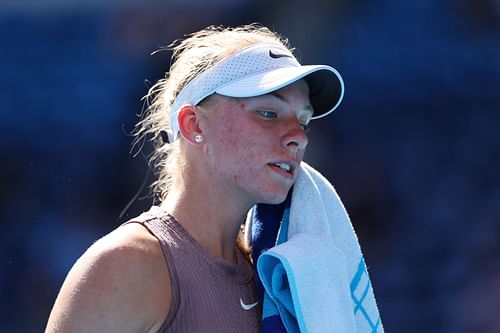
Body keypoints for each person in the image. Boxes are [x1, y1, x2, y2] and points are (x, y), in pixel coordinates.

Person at [45, 24, 345, 332]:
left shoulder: (279, 281)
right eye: (268, 113)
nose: (299, 137)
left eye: (304, 121)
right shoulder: (125, 266)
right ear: (193, 125)